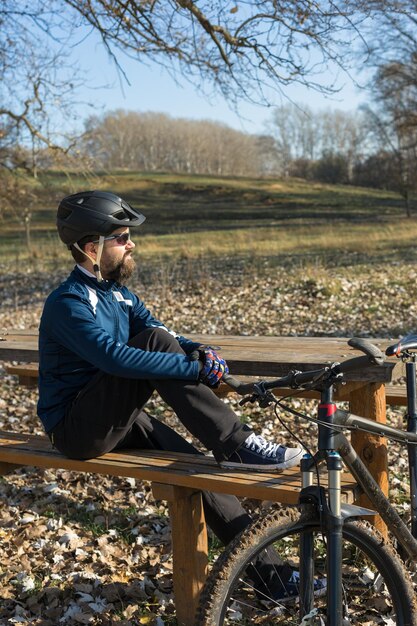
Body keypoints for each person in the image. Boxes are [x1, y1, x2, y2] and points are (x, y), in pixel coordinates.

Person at [37, 189, 324, 603]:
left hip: (116, 418)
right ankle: (238, 444)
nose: (131, 243)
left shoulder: (120, 294)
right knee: (150, 343)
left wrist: (200, 351)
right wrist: (193, 370)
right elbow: (115, 358)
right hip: (76, 430)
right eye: (121, 237)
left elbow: (166, 332)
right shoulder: (68, 302)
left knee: (195, 468)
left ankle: (275, 580)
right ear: (90, 247)